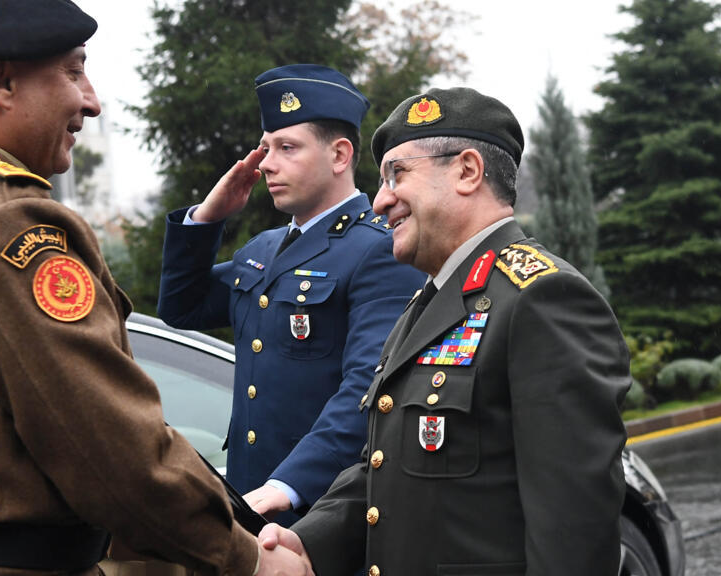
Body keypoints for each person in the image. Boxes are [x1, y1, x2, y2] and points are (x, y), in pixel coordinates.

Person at [0, 1, 310, 575]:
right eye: (73, 70)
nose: (91, 100)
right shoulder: (5, 223)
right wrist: (246, 558)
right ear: (3, 81)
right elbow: (112, 450)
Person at [258, 87, 632, 575]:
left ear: (467, 171)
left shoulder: (541, 299)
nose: (379, 201)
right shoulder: (431, 302)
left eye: (398, 174)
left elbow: (573, 528)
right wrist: (309, 544)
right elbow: (388, 468)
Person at [157, 65, 426, 525]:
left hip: (323, 510)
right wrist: (206, 217)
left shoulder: (379, 249)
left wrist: (288, 486)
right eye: (265, 148)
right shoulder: (262, 250)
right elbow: (181, 306)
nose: (265, 164)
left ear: (340, 155)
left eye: (287, 148)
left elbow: (368, 388)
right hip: (248, 504)